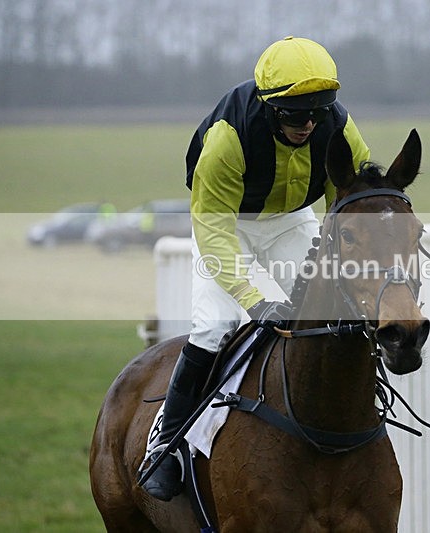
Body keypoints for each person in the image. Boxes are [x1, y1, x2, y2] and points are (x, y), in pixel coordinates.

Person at [141, 36, 371, 501]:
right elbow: (213, 231)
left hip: (289, 222)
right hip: (228, 224)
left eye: (317, 113)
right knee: (216, 326)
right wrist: (254, 300)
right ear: (269, 107)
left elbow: (353, 200)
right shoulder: (227, 140)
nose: (308, 125)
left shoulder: (338, 127)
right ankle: (166, 441)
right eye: (294, 115)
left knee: (333, 309)